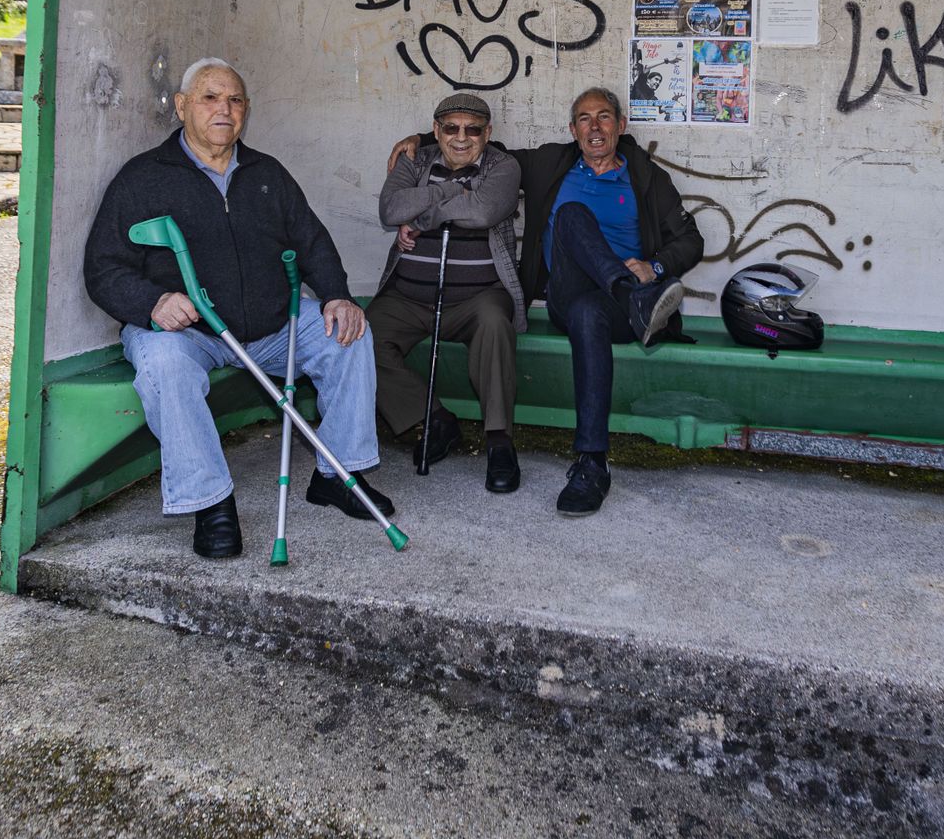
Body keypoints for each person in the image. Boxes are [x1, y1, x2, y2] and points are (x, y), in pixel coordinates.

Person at [84, 58, 390, 559]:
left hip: (270, 327)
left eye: (235, 100)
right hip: (188, 332)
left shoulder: (266, 173)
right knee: (164, 367)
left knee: (349, 333)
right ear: (182, 106)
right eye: (209, 98)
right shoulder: (142, 178)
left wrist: (336, 295)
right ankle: (211, 502)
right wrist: (152, 301)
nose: (223, 109)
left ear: (246, 110)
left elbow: (311, 241)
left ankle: (340, 475)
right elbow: (103, 267)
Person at [393, 86, 700, 516]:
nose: (595, 127)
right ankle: (633, 297)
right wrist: (419, 140)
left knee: (590, 313)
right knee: (573, 216)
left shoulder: (645, 177)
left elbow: (690, 239)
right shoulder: (550, 165)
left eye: (604, 117)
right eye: (585, 119)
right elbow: (481, 143)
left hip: (606, 311)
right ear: (573, 130)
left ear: (621, 125)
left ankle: (592, 463)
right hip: (569, 292)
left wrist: (655, 268)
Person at [371, 91, 526, 494]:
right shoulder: (414, 160)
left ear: (487, 133)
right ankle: (435, 419)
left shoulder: (503, 166)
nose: (462, 138)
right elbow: (390, 210)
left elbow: (484, 211)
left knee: (496, 322)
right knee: (361, 335)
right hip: (410, 296)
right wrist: (451, 191)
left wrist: (420, 216)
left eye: (473, 129)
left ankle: (499, 441)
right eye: (451, 128)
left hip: (478, 298)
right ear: (436, 131)